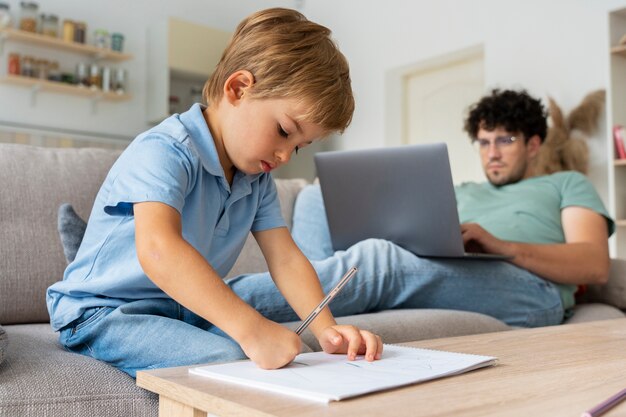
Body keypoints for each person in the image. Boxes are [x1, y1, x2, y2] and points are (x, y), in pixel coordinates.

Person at [46, 8, 382, 378]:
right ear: (238, 89)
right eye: (285, 131)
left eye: (300, 146)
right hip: (101, 313)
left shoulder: (256, 180)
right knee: (233, 356)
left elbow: (285, 259)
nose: (286, 155)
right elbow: (159, 250)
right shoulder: (164, 150)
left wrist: (325, 329)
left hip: (179, 310)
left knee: (288, 353)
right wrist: (252, 330)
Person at [224, 88, 613, 332]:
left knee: (378, 261)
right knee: (318, 199)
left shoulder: (565, 183)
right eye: (482, 142)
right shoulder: (464, 189)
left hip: (530, 291)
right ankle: (312, 297)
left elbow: (594, 263)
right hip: (454, 272)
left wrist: (501, 246)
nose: (491, 152)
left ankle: (212, 304)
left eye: (505, 140)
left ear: (533, 144)